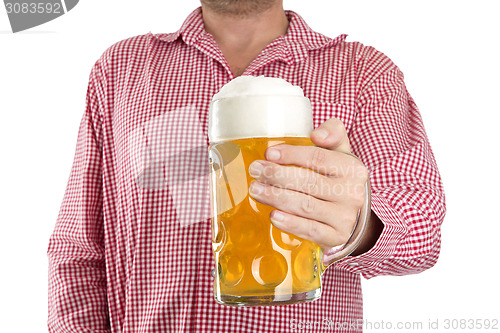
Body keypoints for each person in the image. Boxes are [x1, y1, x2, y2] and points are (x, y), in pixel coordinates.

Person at [47, 0, 446, 332]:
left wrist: (359, 224)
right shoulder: (122, 68)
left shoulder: (362, 71)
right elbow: (78, 248)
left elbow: (422, 230)